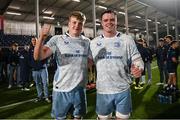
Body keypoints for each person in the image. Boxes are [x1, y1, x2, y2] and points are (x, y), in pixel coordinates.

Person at [34, 11, 91, 119]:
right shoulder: (57, 39)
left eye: (80, 23)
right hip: (61, 90)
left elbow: (89, 61)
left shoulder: (87, 42)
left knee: (78, 117)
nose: (77, 25)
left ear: (83, 26)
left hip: (79, 90)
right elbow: (38, 57)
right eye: (74, 22)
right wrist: (41, 37)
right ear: (68, 24)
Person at [90, 10, 144, 119]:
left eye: (112, 20)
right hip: (103, 90)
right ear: (101, 22)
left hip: (122, 89)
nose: (109, 22)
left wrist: (139, 68)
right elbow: (88, 62)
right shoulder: (94, 43)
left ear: (116, 21)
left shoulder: (127, 40)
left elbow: (137, 58)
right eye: (105, 20)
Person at [29, 37, 50, 102]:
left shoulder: (41, 47)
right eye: (32, 40)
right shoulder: (30, 49)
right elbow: (29, 59)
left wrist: (44, 63)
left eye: (35, 40)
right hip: (35, 70)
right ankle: (40, 96)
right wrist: (32, 66)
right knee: (38, 83)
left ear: (37, 41)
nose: (34, 41)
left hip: (43, 69)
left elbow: (46, 56)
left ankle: (46, 97)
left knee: (45, 83)